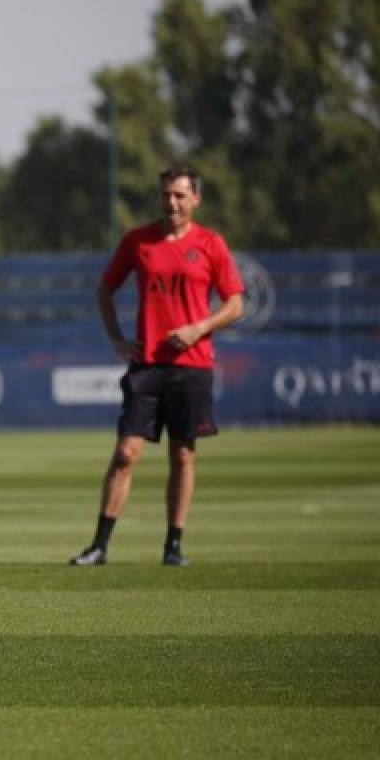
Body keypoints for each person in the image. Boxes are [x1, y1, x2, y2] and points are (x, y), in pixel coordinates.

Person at [71, 165, 244, 567]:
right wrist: (116, 338)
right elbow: (105, 288)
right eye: (167, 194)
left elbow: (235, 304)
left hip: (192, 365)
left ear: (195, 199)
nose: (172, 202)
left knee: (183, 455)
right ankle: (99, 545)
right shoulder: (138, 241)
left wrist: (199, 328)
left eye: (180, 195)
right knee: (126, 452)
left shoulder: (211, 244)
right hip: (147, 365)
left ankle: (173, 545)